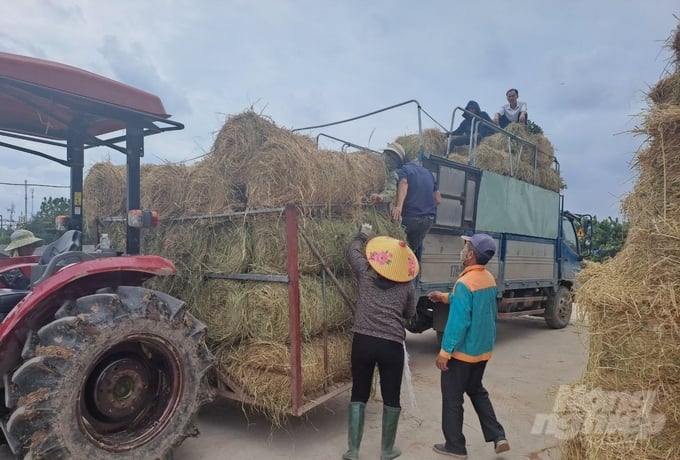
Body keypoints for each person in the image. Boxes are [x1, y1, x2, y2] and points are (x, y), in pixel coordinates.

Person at [427, 233, 510, 459]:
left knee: (452, 398)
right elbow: (474, 305)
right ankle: (498, 436)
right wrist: (445, 297)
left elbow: (459, 322)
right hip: (482, 351)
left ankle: (455, 446)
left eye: (466, 246)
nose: (463, 249)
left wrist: (445, 352)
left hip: (462, 353)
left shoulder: (464, 283)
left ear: (471, 255)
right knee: (476, 391)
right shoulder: (488, 278)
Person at [343, 225, 418, 460]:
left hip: (363, 341)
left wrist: (362, 235)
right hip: (391, 345)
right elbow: (410, 314)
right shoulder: (407, 286)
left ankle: (353, 450)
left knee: (359, 393)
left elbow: (352, 251)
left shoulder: (365, 273)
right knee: (391, 396)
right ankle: (387, 450)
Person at [391, 156, 441, 259]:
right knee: (410, 252)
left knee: (396, 250)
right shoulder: (429, 173)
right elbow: (438, 199)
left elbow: (404, 183)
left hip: (410, 217)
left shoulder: (405, 169)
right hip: (427, 221)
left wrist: (398, 206)